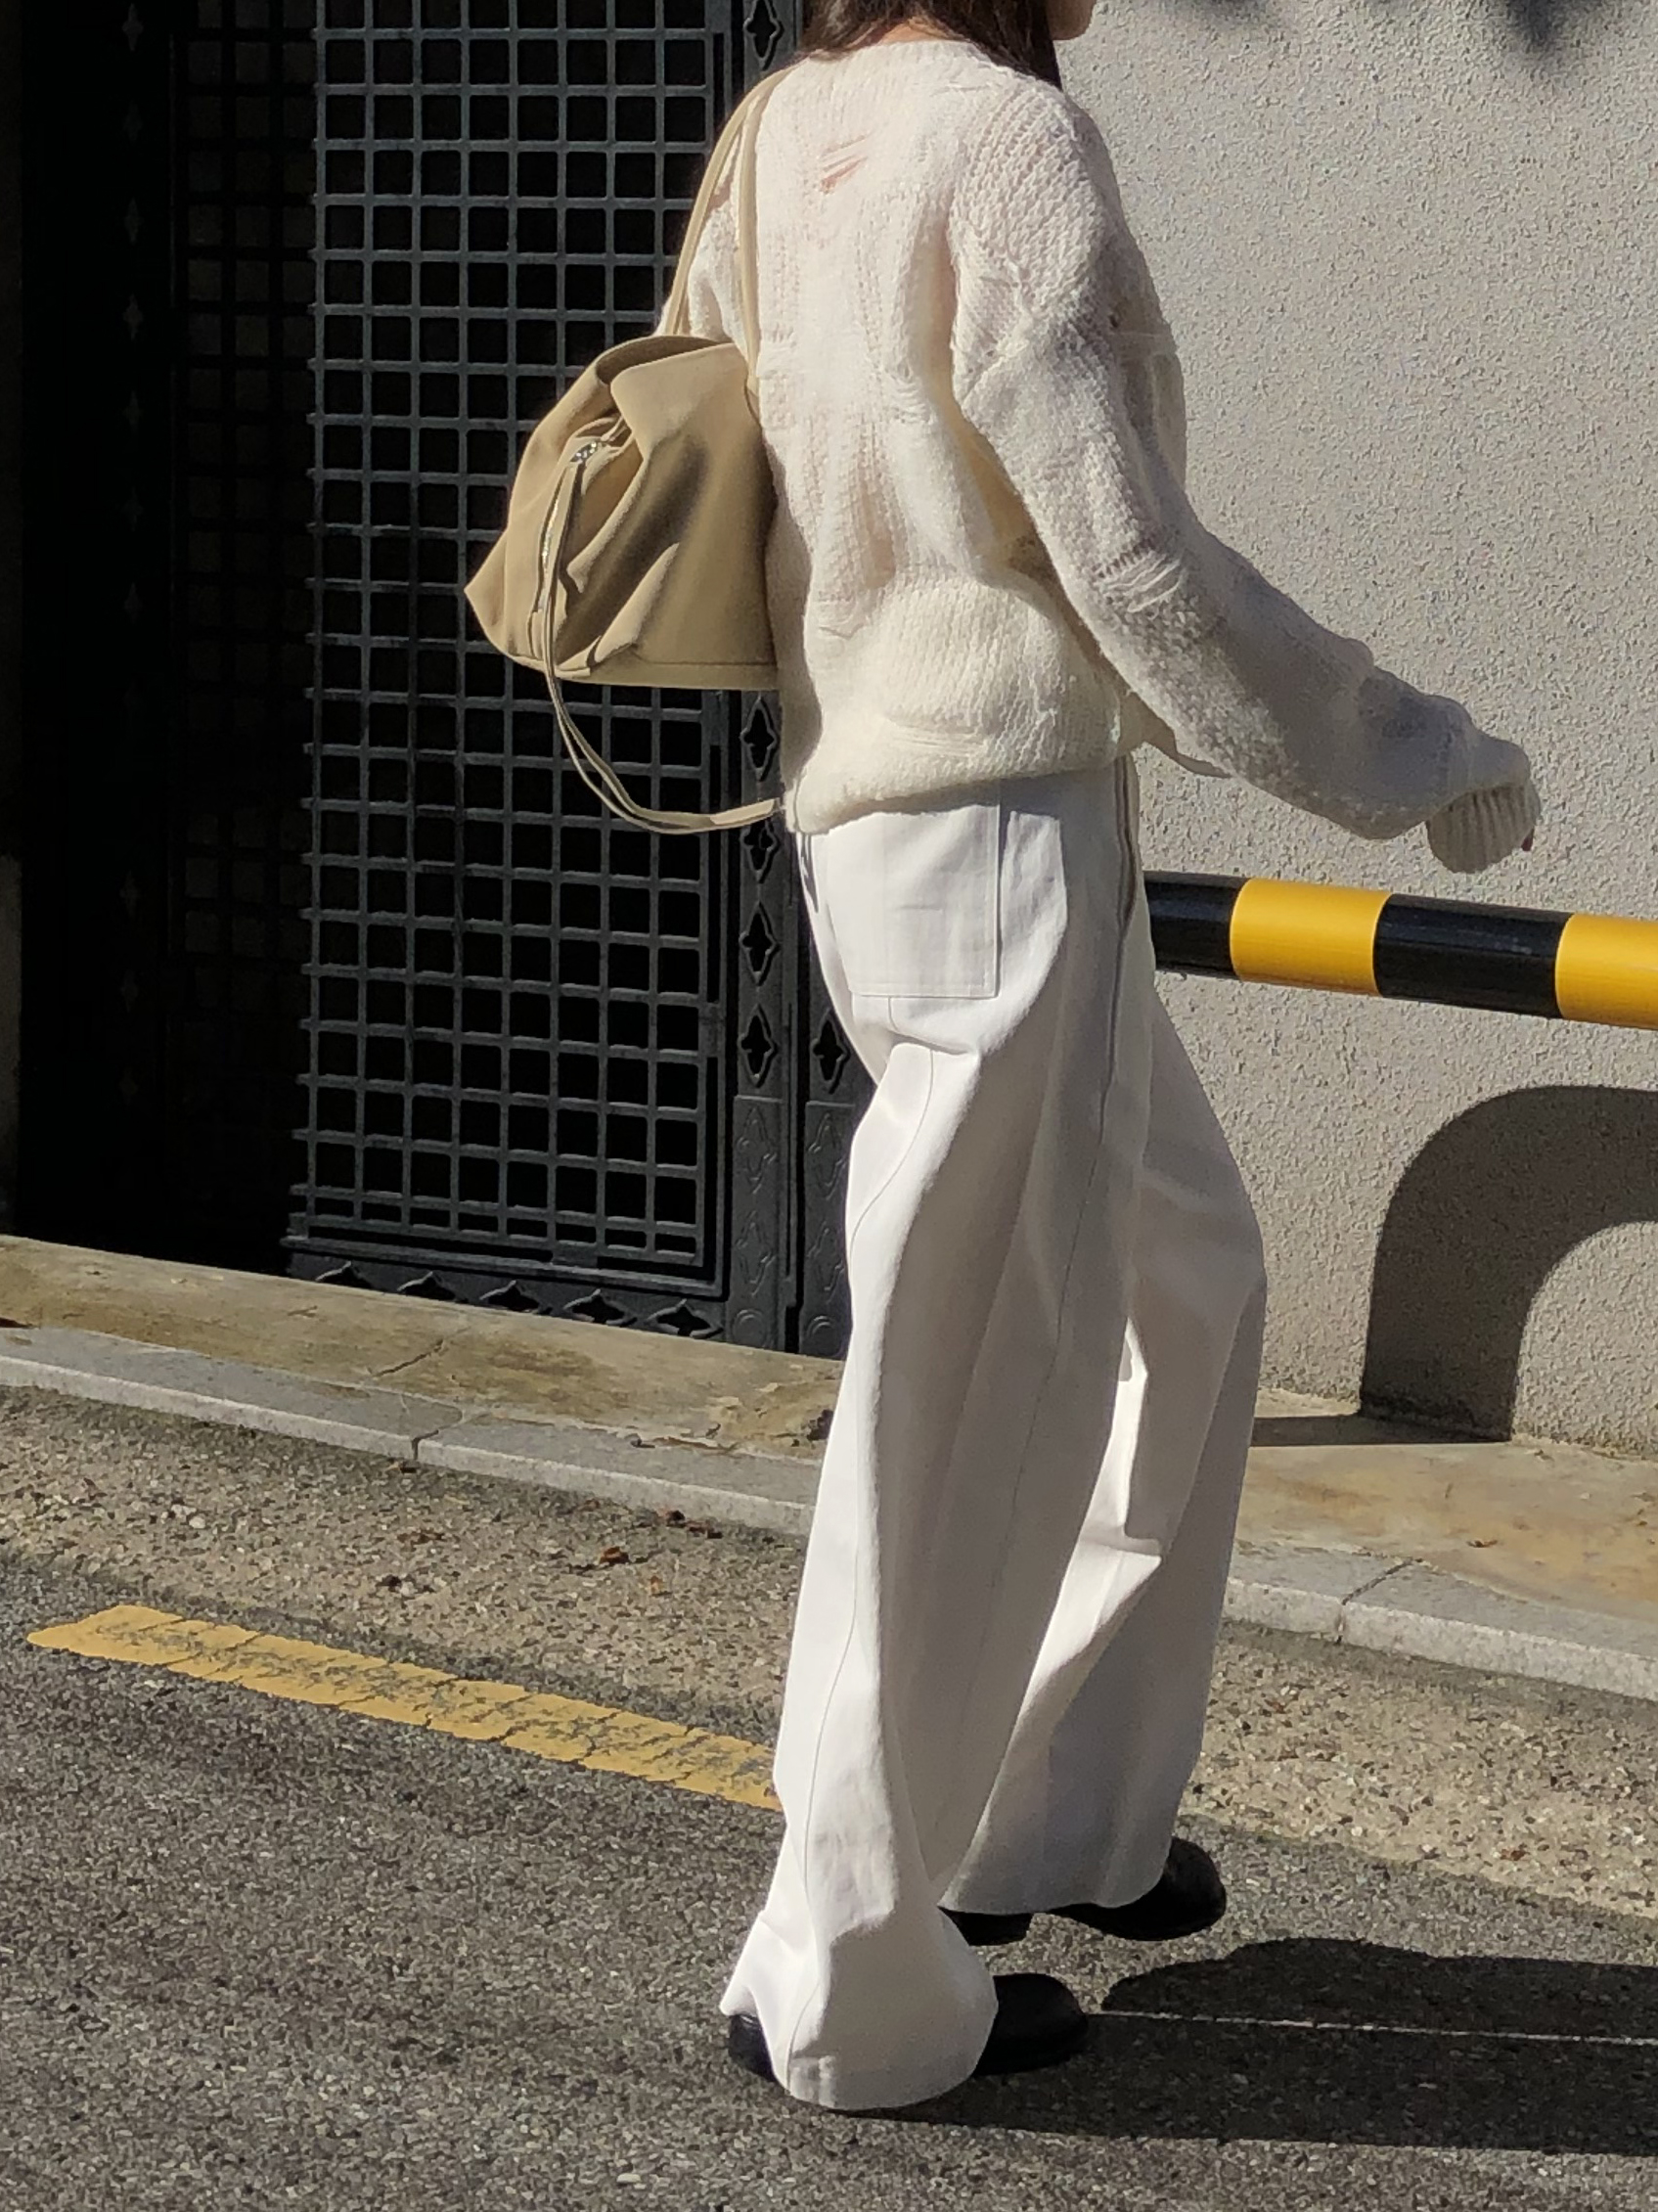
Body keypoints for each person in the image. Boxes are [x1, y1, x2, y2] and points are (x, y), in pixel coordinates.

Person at [668, 0, 1541, 2111]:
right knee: (968, 1402)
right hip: (996, 838)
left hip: (868, 821)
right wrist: (1407, 749)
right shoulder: (1005, 142)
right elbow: (1129, 559)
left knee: (1187, 1275)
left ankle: (1051, 1814)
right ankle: (849, 1983)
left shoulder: (786, 126)